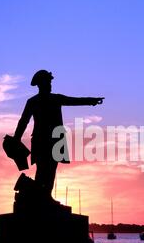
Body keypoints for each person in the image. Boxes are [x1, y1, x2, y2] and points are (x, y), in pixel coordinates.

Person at [13, 70, 104, 203]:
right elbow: (23, 121)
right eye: (48, 82)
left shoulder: (54, 98)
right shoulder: (34, 101)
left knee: (51, 169)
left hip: (56, 140)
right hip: (42, 140)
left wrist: (92, 101)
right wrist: (16, 138)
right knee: (43, 169)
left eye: (50, 82)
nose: (50, 84)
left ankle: (45, 196)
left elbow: (74, 101)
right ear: (41, 84)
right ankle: (38, 195)